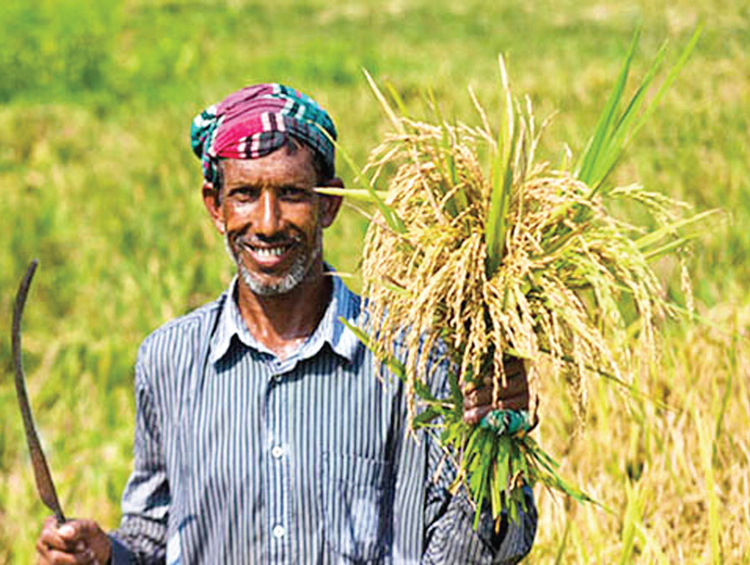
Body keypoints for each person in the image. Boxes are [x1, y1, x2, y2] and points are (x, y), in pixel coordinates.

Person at [36, 84, 537, 564]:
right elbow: (155, 537)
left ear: (330, 204)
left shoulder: (412, 357)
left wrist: (495, 449)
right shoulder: (169, 359)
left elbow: (491, 545)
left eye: (293, 194)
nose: (269, 222)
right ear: (216, 206)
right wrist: (104, 556)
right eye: (246, 195)